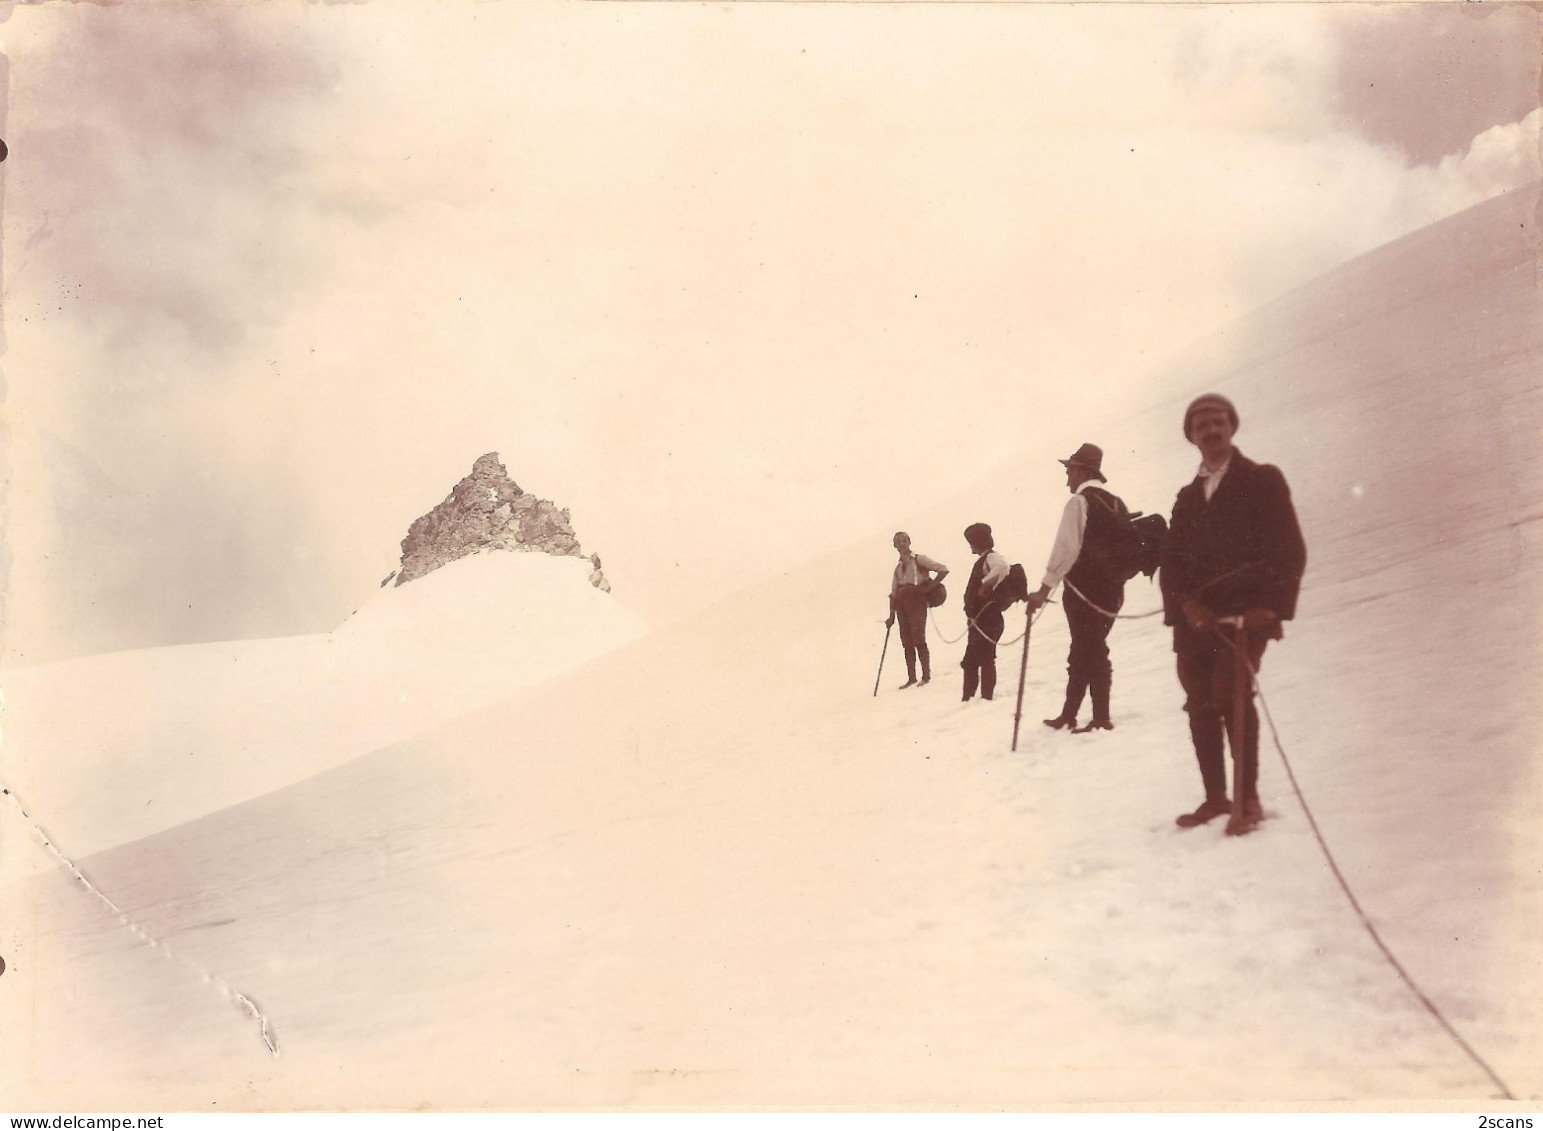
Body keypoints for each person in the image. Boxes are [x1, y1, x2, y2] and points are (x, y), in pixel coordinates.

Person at [1160, 394, 1307, 836]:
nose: (1211, 430)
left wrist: (1268, 607)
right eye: (1201, 424)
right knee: (1199, 706)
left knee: (1232, 695)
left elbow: (1288, 548)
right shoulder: (1186, 498)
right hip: (1196, 623)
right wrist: (1187, 606)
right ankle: (1216, 798)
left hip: (1247, 618)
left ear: (1232, 426)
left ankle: (1248, 801)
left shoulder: (1262, 480)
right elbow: (1172, 563)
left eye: (1218, 421)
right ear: (1191, 435)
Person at [1026, 443, 1130, 733]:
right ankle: (1070, 714)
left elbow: (1065, 549)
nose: (1067, 477)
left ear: (1082, 471)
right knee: (1085, 648)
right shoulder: (1116, 503)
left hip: (1084, 592)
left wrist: (1043, 592)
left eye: (1069, 470)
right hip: (1112, 592)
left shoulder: (1080, 502)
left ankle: (1100, 718)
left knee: (1091, 650)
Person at [885, 532, 949, 688]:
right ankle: (911, 678)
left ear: (909, 542)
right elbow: (893, 593)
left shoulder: (920, 559)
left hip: (916, 601)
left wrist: (929, 589)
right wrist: (891, 616)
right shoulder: (898, 568)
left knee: (918, 637)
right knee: (906, 641)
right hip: (901, 604)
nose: (901, 544)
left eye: (904, 540)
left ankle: (926, 676)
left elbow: (943, 569)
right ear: (894, 545)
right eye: (898, 542)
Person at [960, 522, 1009, 702]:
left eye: (971, 542)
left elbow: (1003, 567)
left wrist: (984, 585)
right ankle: (969, 699)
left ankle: (984, 699)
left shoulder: (991, 558)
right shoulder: (986, 559)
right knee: (971, 661)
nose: (970, 545)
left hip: (987, 619)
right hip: (980, 620)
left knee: (985, 659)